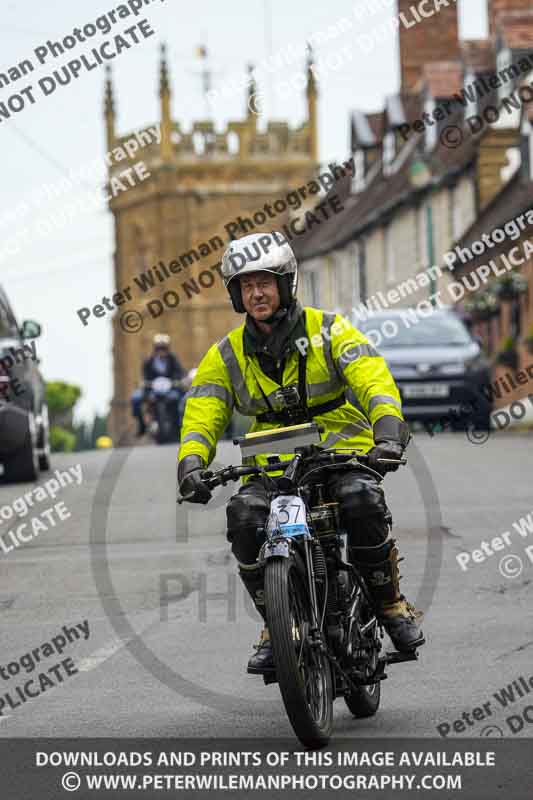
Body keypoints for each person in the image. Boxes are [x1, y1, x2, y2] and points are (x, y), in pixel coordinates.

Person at [177, 232, 424, 673]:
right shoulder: (226, 354)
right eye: (245, 285)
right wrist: (192, 464)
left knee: (361, 501)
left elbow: (373, 379)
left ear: (287, 284)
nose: (256, 293)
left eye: (265, 283)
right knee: (245, 519)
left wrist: (387, 433)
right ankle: (278, 623)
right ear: (235, 293)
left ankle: (390, 606)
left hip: (340, 448)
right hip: (272, 461)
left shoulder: (330, 329)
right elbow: (203, 413)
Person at [131, 333, 185, 436]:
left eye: (164, 348)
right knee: (135, 399)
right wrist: (145, 384)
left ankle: (181, 424)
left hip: (170, 389)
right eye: (158, 348)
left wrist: (178, 381)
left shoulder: (173, 359)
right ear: (155, 349)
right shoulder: (148, 361)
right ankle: (142, 425)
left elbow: (180, 372)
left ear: (168, 348)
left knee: (182, 399)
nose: (161, 351)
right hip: (152, 389)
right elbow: (145, 377)